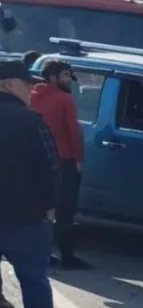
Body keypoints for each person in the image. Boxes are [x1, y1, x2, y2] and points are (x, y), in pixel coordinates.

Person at [0, 60, 63, 308]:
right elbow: (50, 168)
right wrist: (50, 208)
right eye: (27, 84)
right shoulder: (31, 121)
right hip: (26, 218)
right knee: (34, 280)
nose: (32, 90)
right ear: (9, 85)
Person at [30, 60, 89, 269]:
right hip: (63, 161)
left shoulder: (32, 96)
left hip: (35, 162)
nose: (68, 80)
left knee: (40, 211)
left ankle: (43, 253)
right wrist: (79, 159)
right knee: (65, 210)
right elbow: (74, 133)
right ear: (53, 77)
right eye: (65, 75)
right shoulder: (65, 100)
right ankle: (67, 256)